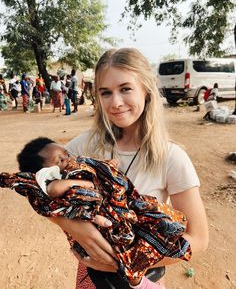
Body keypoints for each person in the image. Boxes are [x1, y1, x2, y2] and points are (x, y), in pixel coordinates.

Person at [43, 48, 209, 288]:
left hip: (142, 279)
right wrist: (69, 224)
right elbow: (39, 186)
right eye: (106, 92)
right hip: (92, 276)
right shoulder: (85, 146)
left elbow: (198, 238)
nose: (116, 102)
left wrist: (125, 261)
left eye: (125, 89)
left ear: (146, 90)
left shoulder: (171, 157)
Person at [1, 137, 192, 289]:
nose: (68, 158)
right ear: (47, 172)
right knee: (123, 248)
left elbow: (100, 170)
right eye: (60, 159)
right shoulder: (73, 159)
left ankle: (135, 274)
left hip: (140, 255)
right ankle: (135, 277)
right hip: (96, 261)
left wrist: (108, 167)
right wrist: (74, 205)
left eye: (125, 89)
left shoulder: (171, 154)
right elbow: (48, 194)